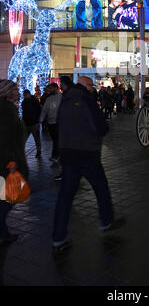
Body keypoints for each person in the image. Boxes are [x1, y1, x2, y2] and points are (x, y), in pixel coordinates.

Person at [52, 75, 125, 253]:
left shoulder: (65, 100)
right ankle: (106, 221)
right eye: (91, 86)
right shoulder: (86, 99)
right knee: (101, 187)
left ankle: (58, 238)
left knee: (65, 198)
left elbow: (58, 126)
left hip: (68, 154)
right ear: (84, 85)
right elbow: (101, 127)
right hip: (87, 153)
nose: (93, 89)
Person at [0, 80, 29, 244]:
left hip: (7, 159)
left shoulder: (8, 108)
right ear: (8, 92)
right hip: (8, 162)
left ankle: (3, 234)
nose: (18, 92)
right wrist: (11, 161)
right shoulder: (5, 110)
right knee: (9, 197)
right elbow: (4, 138)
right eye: (15, 90)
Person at [39, 83, 62, 163]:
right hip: (50, 122)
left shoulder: (62, 97)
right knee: (55, 140)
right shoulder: (49, 99)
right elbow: (44, 110)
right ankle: (57, 155)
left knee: (56, 140)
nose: (49, 90)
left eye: (51, 88)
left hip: (59, 122)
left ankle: (56, 155)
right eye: (49, 89)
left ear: (56, 88)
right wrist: (41, 119)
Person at [22, 89, 42, 158]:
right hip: (27, 123)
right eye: (24, 95)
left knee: (37, 138)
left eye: (25, 95)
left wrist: (38, 119)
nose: (24, 96)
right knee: (24, 138)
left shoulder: (34, 101)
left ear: (29, 94)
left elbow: (39, 110)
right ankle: (21, 151)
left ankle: (39, 151)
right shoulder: (24, 102)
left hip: (34, 123)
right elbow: (24, 112)